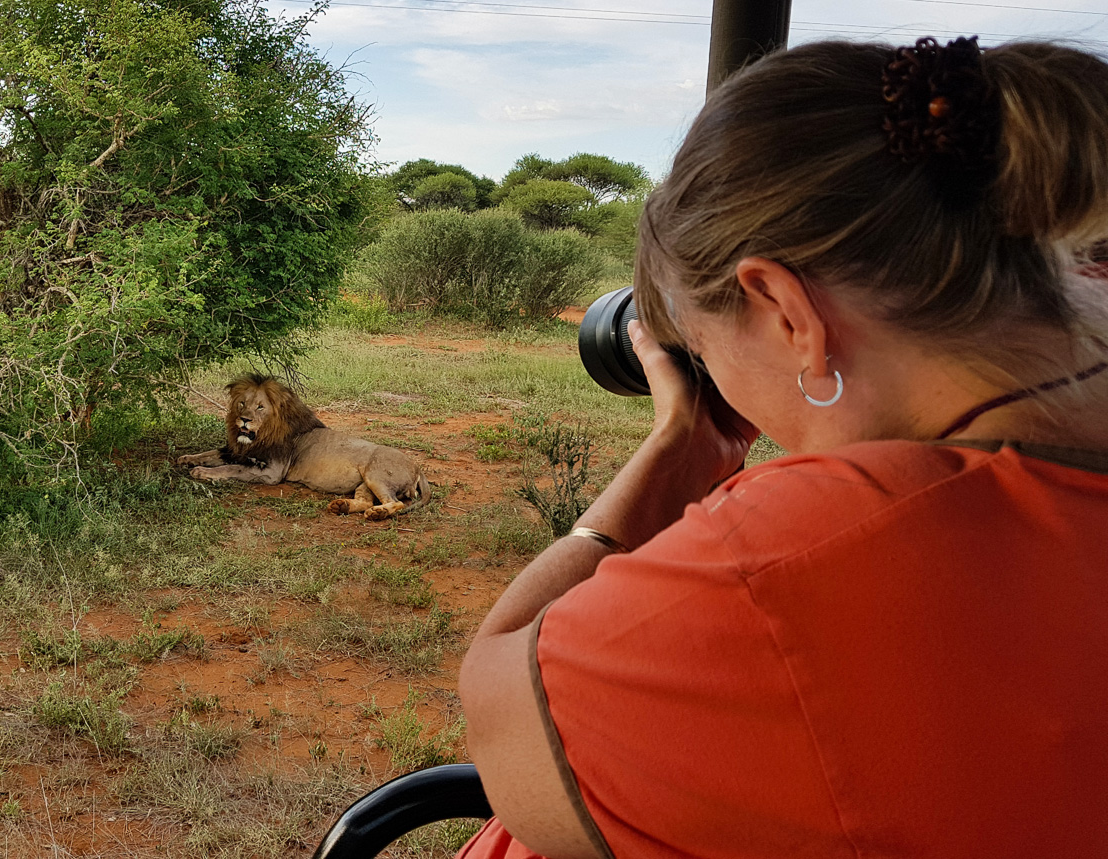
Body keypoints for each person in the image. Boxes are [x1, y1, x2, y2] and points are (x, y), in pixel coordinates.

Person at [456, 36, 1108, 859]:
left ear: (788, 312)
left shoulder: (795, 554)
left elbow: (501, 717)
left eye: (703, 346)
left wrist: (675, 455)